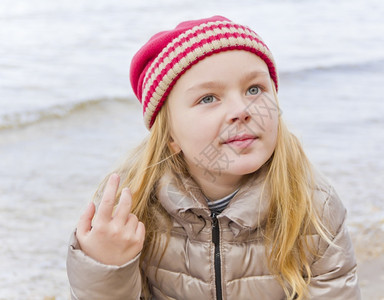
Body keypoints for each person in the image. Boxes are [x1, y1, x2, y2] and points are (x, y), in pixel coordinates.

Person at [66, 15, 360, 300]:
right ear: (170, 135)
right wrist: (107, 268)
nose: (241, 110)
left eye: (254, 89)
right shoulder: (131, 208)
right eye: (208, 98)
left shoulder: (313, 205)